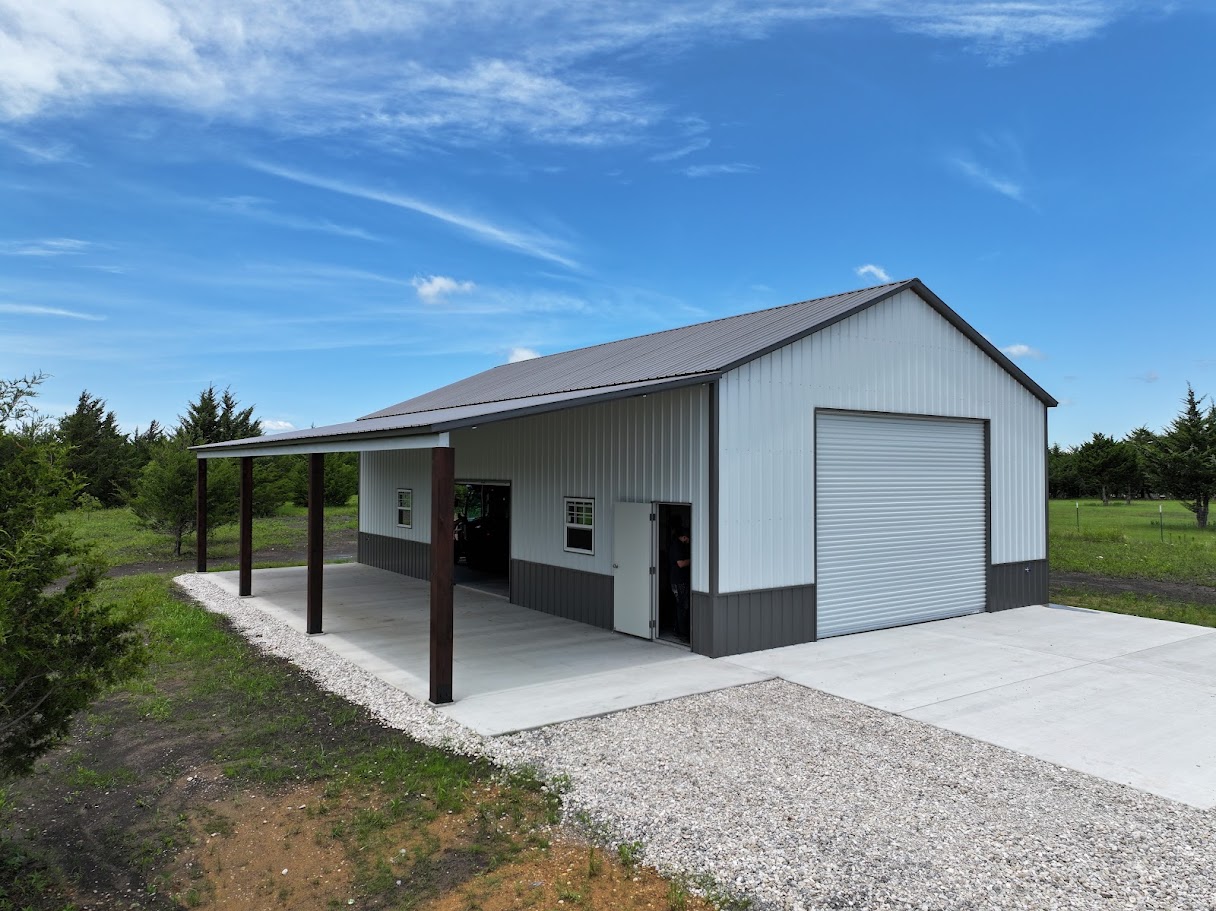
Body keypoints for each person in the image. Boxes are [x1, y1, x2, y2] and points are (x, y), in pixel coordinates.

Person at [667, 519, 691, 640]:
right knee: (682, 606)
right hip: (678, 581)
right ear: (683, 537)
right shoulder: (677, 546)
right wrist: (693, 560)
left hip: (679, 580)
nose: (688, 541)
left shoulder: (678, 544)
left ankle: (678, 630)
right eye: (687, 538)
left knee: (680, 605)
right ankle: (682, 633)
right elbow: (680, 563)